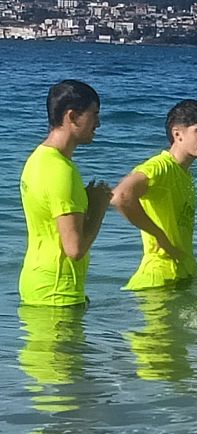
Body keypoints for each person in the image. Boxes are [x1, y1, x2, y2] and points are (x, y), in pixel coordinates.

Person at [19, 79, 111, 307]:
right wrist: (99, 208)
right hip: (57, 293)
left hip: (40, 283)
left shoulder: (37, 159)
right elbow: (74, 249)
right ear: (71, 116)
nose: (98, 123)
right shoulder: (62, 171)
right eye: (94, 114)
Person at [111, 99, 197, 290]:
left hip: (178, 278)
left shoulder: (184, 174)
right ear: (177, 134)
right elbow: (121, 196)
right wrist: (159, 236)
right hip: (158, 280)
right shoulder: (161, 166)